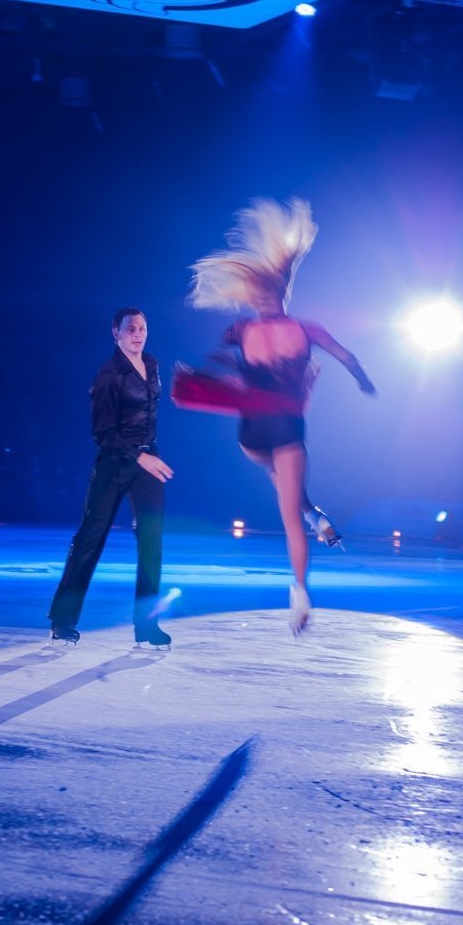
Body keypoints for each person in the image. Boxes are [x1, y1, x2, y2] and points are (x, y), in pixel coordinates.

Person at [172, 198, 375, 635]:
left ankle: (303, 577)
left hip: (255, 430)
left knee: (287, 500)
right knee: (290, 502)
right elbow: (345, 356)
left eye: (268, 292)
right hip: (277, 424)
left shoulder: (245, 330)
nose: (262, 298)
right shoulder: (297, 329)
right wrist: (361, 379)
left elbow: (230, 365)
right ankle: (310, 537)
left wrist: (206, 379)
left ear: (281, 293)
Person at [48, 308, 174, 647]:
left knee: (152, 544)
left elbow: (149, 414)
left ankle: (146, 626)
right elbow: (103, 434)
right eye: (130, 328)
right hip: (115, 465)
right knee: (91, 539)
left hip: (147, 462)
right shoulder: (108, 375)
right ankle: (62, 620)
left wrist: (149, 455)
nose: (138, 333)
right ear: (115, 333)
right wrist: (140, 456)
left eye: (143, 327)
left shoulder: (153, 365)